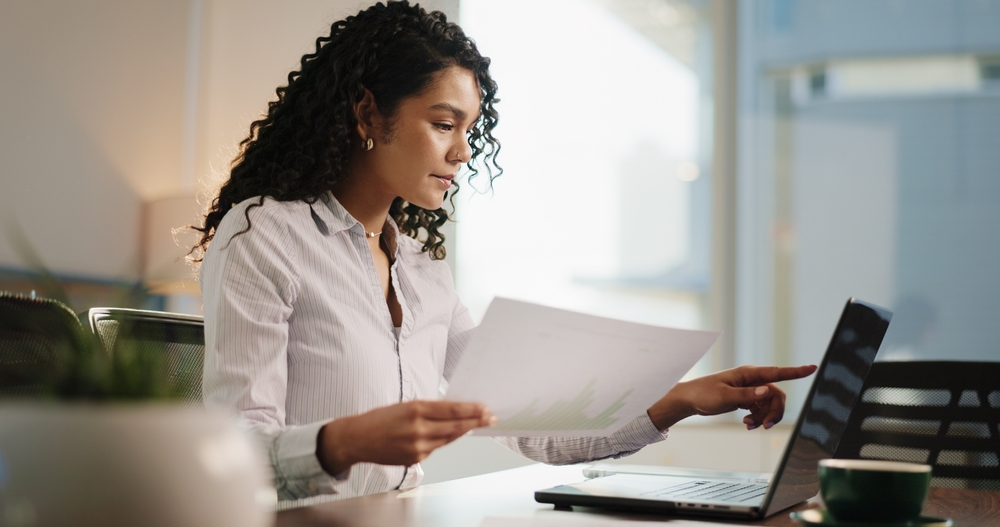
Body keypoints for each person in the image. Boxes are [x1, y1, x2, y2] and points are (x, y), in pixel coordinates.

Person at [193, 1, 817, 501]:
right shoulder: (266, 235)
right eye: (443, 124)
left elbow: (536, 431)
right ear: (366, 113)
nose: (464, 152)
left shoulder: (421, 271)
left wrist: (679, 400)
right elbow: (232, 458)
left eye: (470, 129)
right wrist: (342, 443)